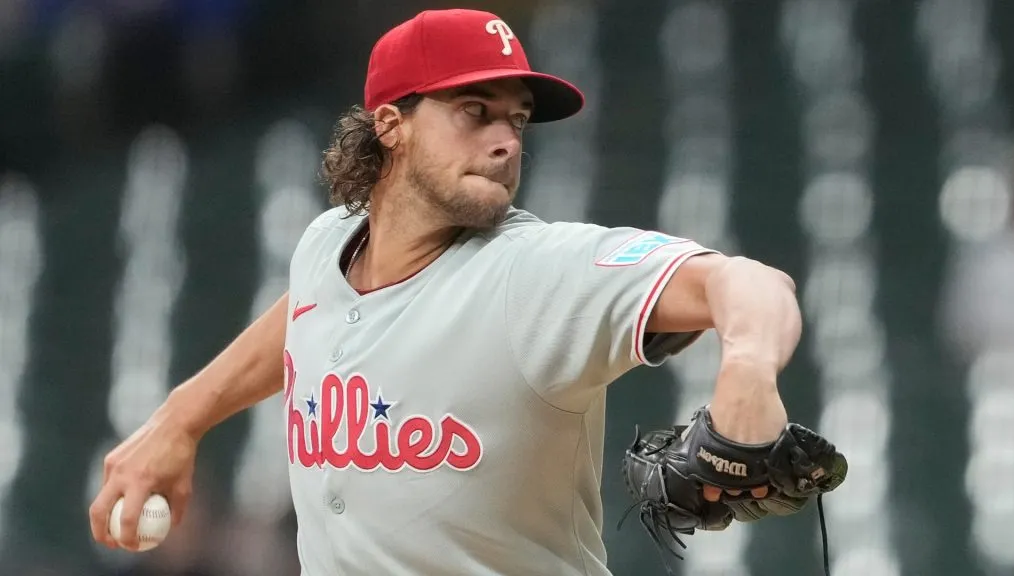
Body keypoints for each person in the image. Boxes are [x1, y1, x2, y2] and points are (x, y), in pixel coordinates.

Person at [89, 8, 801, 575]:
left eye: (516, 119)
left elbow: (747, 283)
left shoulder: (538, 273)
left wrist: (747, 368)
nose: (507, 140)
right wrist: (180, 420)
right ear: (391, 125)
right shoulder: (327, 245)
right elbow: (303, 312)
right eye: (475, 111)